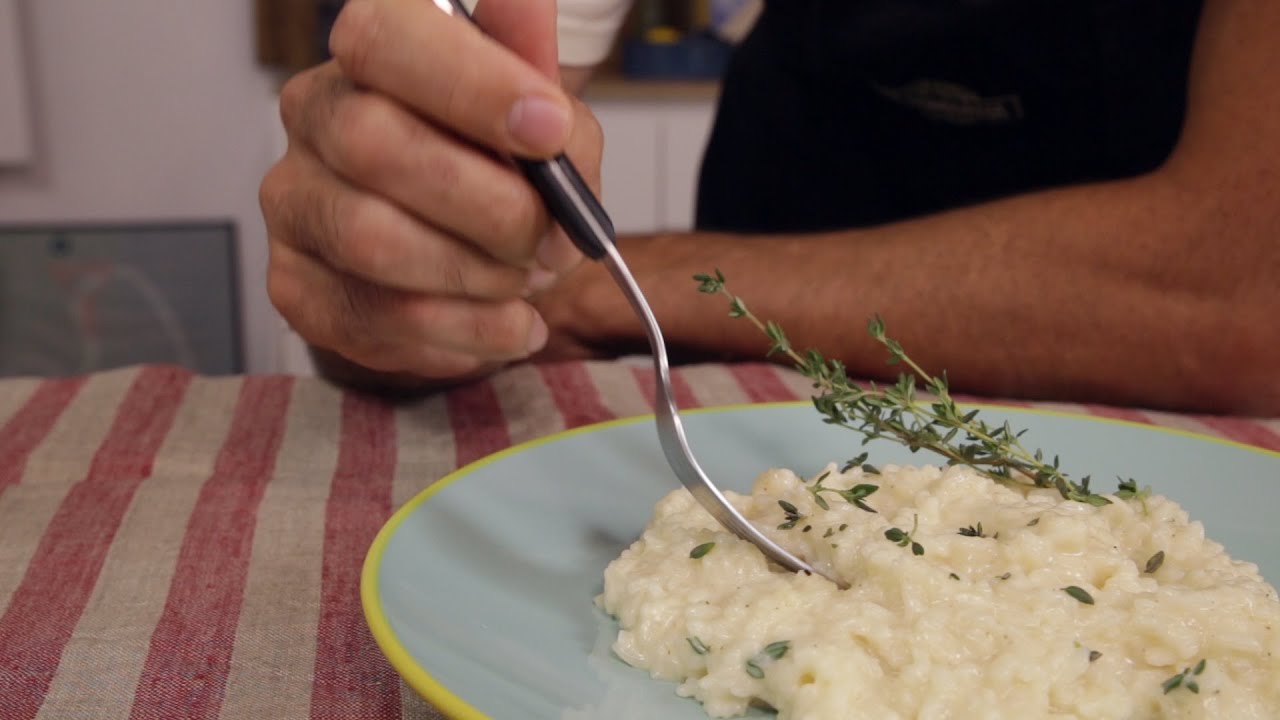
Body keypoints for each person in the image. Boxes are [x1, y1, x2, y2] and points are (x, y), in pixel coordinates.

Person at [259, 0, 1280, 414]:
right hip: (745, 416)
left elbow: (1240, 302)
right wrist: (403, 270)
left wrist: (608, 291)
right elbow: (456, 164)